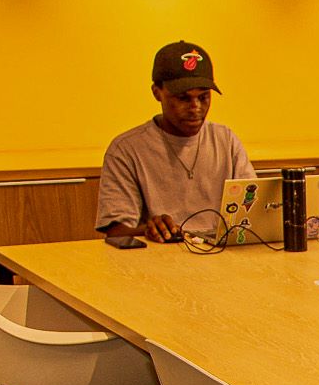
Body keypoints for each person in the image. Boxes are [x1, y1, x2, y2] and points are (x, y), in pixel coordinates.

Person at [96, 41, 254, 242]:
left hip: (222, 258)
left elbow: (252, 209)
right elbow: (116, 232)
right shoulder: (126, 149)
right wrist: (149, 229)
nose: (195, 107)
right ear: (157, 92)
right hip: (158, 262)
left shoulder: (226, 140)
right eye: (183, 98)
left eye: (204, 97)